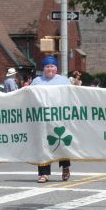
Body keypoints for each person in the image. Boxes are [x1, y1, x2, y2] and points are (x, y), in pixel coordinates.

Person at [30, 55, 72, 183]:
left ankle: (65, 168)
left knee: (62, 143)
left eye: (52, 66)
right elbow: (28, 96)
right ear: (43, 68)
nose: (50, 69)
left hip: (59, 118)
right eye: (47, 67)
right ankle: (43, 174)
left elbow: (73, 95)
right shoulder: (37, 81)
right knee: (43, 145)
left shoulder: (64, 81)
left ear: (56, 68)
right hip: (42, 120)